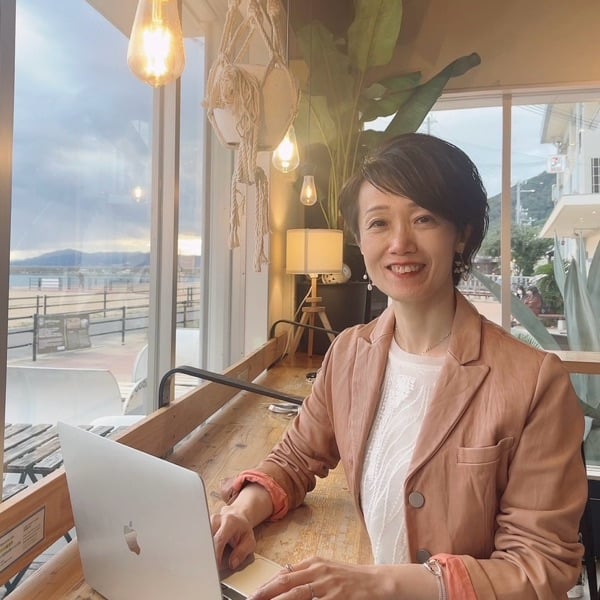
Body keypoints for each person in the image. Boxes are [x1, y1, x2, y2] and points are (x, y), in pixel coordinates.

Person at [211, 133, 586, 599]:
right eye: (379, 223)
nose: (400, 243)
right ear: (360, 240)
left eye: (424, 218)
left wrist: (378, 582)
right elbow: (296, 457)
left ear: (461, 234)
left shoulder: (534, 382)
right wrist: (241, 513)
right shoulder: (348, 353)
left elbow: (540, 564)